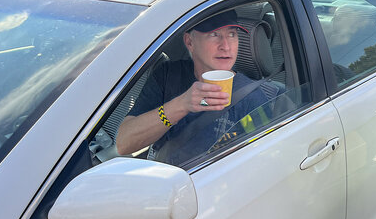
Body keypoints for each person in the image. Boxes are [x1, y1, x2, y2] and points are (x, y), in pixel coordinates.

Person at [116, 10, 274, 165]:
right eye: (214, 34)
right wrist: (181, 104)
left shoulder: (251, 97)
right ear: (189, 42)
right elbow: (124, 144)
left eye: (232, 34)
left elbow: (265, 160)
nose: (226, 46)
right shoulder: (168, 74)